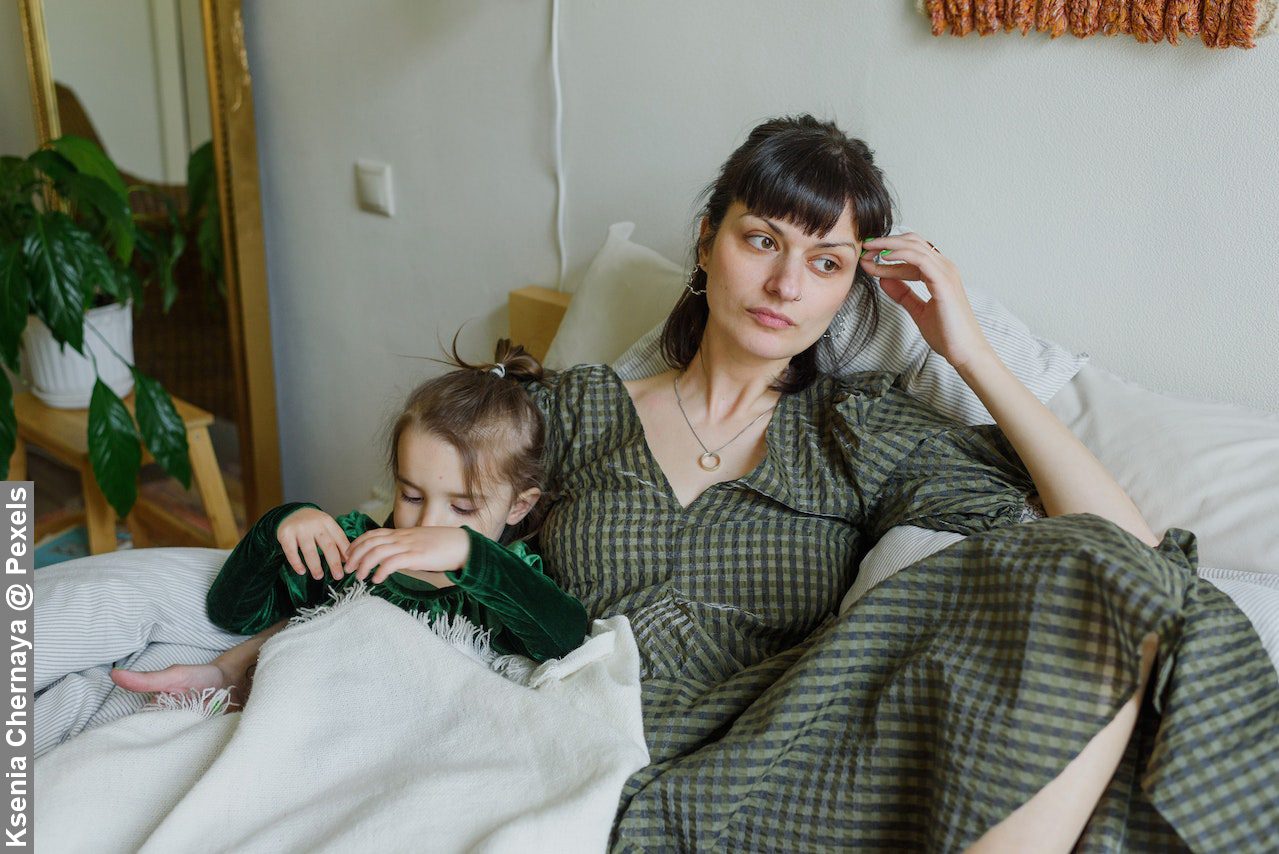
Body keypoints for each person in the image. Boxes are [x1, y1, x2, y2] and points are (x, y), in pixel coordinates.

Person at [118, 115, 1277, 852]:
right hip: (583, 723)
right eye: (762, 237)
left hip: (782, 742)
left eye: (824, 261)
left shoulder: (861, 432)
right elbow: (433, 524)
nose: (785, 279)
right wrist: (289, 591)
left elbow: (1124, 552)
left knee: (1097, 577)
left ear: (847, 295)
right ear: (709, 240)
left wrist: (965, 351)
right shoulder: (571, 410)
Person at [112, 340, 589, 707]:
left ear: (518, 507)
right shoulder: (358, 548)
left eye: (462, 510)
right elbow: (232, 613)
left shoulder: (508, 579)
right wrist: (278, 527)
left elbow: (566, 641)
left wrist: (472, 556)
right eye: (411, 495)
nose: (427, 524)